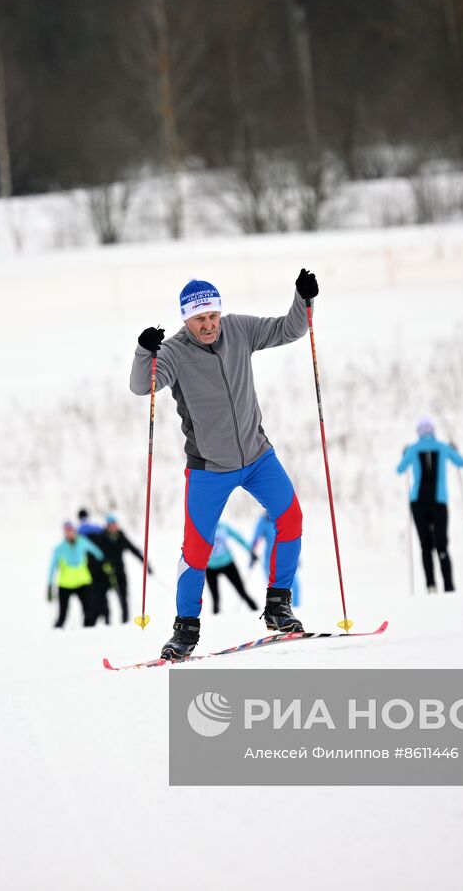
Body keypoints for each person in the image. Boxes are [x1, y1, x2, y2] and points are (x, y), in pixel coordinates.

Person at [130, 271, 316, 660]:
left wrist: (302, 297)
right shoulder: (175, 352)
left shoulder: (239, 330)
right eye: (200, 319)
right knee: (197, 550)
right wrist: (144, 352)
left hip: (257, 456)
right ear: (186, 320)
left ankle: (279, 606)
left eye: (213, 316)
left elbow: (288, 330)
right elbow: (142, 386)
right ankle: (185, 632)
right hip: (209, 468)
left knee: (291, 519)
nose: (210, 325)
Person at [396, 416, 463, 593]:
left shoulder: (413, 449)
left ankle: (431, 585)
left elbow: (400, 469)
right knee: (442, 545)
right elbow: (461, 463)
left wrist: (404, 453)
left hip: (418, 502)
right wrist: (454, 449)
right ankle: (449, 585)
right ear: (433, 431)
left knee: (425, 546)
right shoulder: (442, 447)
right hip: (438, 501)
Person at [48, 521, 105, 629]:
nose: (70, 533)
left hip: (82, 583)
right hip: (65, 585)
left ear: (75, 531)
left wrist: (103, 565)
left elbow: (98, 554)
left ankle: (87, 635)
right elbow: (52, 568)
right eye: (67, 531)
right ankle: (54, 638)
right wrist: (50, 586)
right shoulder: (59, 549)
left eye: (71, 530)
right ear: (64, 533)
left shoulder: (83, 542)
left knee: (89, 613)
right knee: (62, 616)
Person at [97, 514, 149, 624]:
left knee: (124, 599)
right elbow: (97, 555)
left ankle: (125, 623)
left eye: (115, 524)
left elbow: (133, 550)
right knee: (103, 599)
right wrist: (104, 564)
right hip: (105, 574)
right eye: (111, 525)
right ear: (107, 526)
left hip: (120, 572)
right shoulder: (102, 537)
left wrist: (146, 565)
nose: (113, 527)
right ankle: (107, 622)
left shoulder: (121, 536)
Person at [204, 522, 259, 613]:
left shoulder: (223, 527)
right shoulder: (203, 529)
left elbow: (238, 538)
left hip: (228, 564)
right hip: (211, 568)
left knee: (242, 592)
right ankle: (215, 624)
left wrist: (251, 551)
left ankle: (258, 613)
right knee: (215, 599)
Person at [76, 508, 112, 625]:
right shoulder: (97, 528)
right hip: (101, 567)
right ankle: (106, 619)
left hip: (88, 569)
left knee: (92, 596)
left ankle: (90, 622)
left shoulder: (78, 531)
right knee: (103, 594)